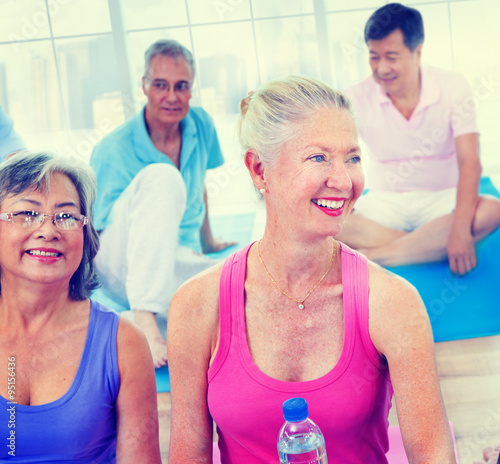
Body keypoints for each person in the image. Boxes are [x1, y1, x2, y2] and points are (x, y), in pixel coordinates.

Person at [167, 76, 456, 463]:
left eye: (352, 158)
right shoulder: (196, 304)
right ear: (258, 170)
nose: (343, 180)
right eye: (318, 157)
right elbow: (189, 452)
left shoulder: (393, 303)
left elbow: (433, 454)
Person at [0, 151, 161, 463]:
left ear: (85, 236)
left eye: (66, 216)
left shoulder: (123, 344)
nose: (48, 230)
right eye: (27, 213)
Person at [90, 39, 235, 368]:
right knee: (163, 177)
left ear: (191, 89)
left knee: (238, 283)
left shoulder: (201, 124)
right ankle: (144, 317)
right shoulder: (112, 150)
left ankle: (136, 319)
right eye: (160, 85)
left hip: (173, 259)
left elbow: (200, 188)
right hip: (121, 266)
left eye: (181, 86)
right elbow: (94, 237)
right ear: (144, 86)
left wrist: (208, 242)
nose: (172, 96)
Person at [337, 3, 500, 276]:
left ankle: (379, 257)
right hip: (384, 201)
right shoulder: (355, 96)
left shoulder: (452, 85)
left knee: (492, 211)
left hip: (442, 199)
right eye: (374, 57)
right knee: (325, 223)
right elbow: (340, 157)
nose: (382, 68)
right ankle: (425, 245)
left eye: (391, 56)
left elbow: (470, 161)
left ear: (417, 52)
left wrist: (460, 230)